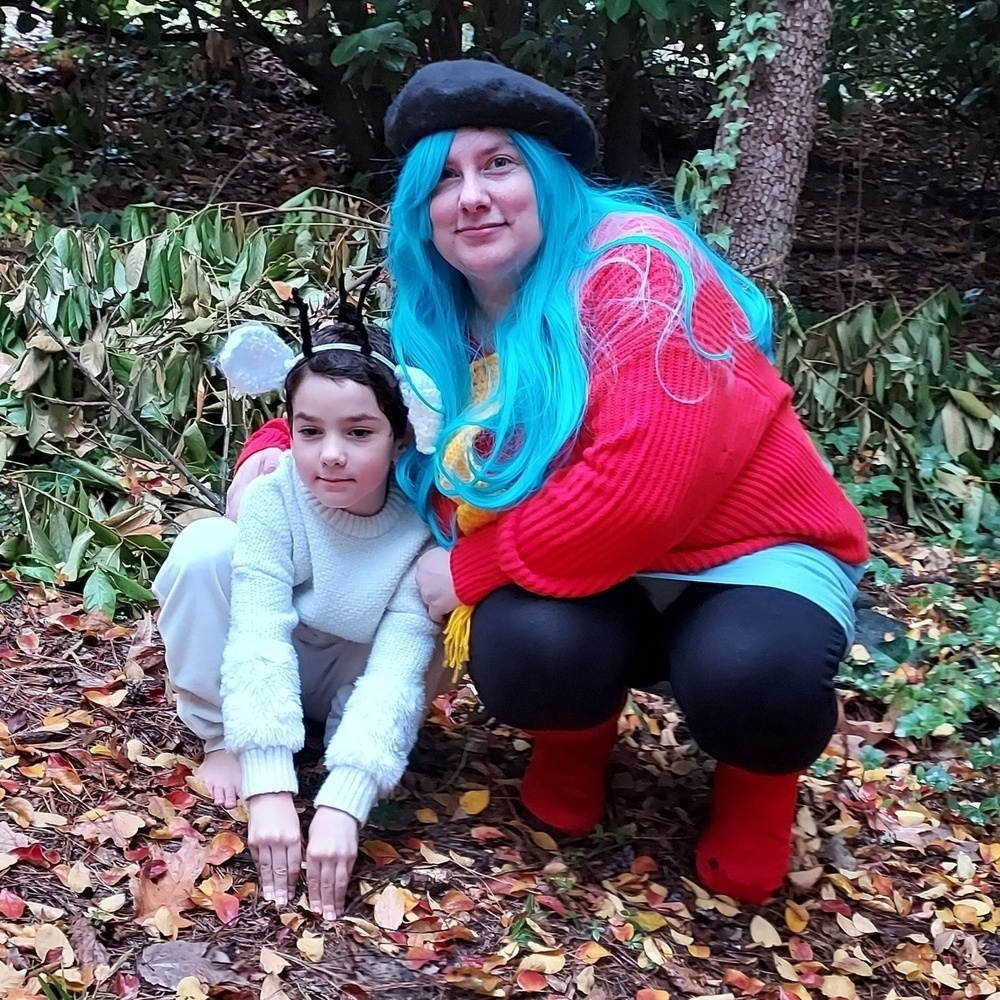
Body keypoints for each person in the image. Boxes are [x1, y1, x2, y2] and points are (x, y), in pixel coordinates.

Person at [230, 59, 869, 905]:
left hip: (747, 553)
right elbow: (371, 397)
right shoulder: (442, 309)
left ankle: (757, 786)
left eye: (499, 164)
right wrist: (273, 448)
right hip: (588, 563)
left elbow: (639, 492)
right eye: (444, 179)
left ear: (551, 177)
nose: (472, 197)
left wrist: (465, 570)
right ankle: (577, 742)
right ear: (422, 212)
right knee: (522, 646)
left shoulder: (640, 272)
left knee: (753, 675)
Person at [153, 284, 440, 920]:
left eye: (359, 432)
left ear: (400, 437)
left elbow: (397, 670)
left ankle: (337, 748)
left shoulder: (420, 528)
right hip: (271, 663)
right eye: (310, 431)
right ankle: (220, 732)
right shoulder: (275, 497)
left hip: (353, 675)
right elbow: (257, 630)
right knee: (205, 546)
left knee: (445, 604)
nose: (330, 454)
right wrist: (267, 782)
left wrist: (344, 800)